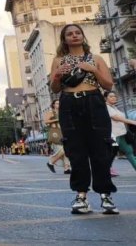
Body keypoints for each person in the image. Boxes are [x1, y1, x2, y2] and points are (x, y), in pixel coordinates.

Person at [49, 23, 116, 215]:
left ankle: (106, 195)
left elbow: (108, 84)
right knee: (76, 151)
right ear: (65, 39)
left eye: (78, 33)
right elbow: (54, 89)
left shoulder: (96, 58)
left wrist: (92, 69)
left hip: (94, 101)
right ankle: (81, 196)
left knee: (100, 149)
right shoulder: (58, 60)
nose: (74, 36)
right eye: (69, 34)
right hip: (69, 103)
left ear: (83, 36)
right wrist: (57, 76)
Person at [105, 91, 136, 173]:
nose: (114, 97)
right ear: (105, 98)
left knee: (129, 151)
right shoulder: (106, 107)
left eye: (114, 96)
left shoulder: (114, 107)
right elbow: (116, 118)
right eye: (111, 96)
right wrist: (132, 122)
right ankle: (105, 170)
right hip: (113, 135)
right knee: (111, 153)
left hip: (122, 134)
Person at [44, 99, 70, 174]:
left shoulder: (62, 112)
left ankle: (66, 168)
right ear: (53, 105)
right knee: (63, 150)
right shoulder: (51, 112)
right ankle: (51, 161)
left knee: (66, 151)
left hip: (63, 132)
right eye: (57, 103)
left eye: (59, 103)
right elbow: (46, 121)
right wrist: (57, 119)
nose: (58, 105)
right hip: (55, 133)